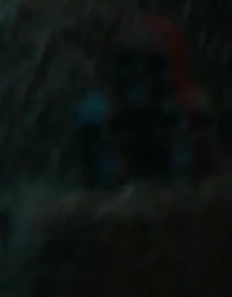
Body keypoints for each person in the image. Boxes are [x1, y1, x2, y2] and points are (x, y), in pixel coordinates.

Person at [74, 15, 219, 190]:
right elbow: (105, 188)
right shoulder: (99, 117)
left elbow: (194, 182)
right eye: (127, 62)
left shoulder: (190, 113)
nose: (139, 73)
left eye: (155, 65)